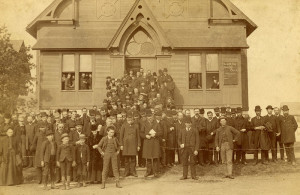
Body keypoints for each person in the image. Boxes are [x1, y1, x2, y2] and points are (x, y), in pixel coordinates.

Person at [140, 110, 162, 178]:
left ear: (153, 117)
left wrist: (155, 134)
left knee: (155, 158)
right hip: (147, 142)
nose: (149, 118)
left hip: (155, 142)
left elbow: (161, 132)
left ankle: (155, 172)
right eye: (148, 117)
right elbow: (141, 133)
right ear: (146, 117)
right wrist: (145, 136)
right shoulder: (144, 124)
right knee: (148, 158)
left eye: (150, 117)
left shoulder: (157, 124)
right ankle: (148, 171)